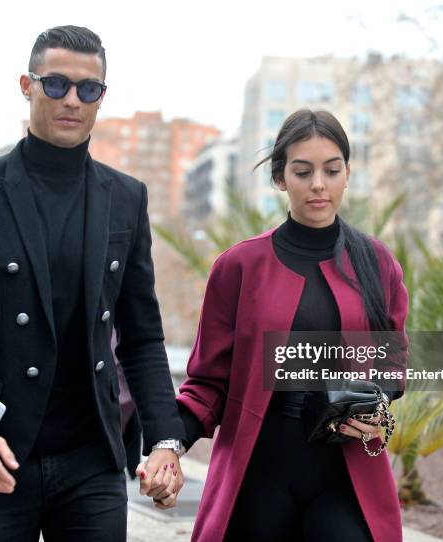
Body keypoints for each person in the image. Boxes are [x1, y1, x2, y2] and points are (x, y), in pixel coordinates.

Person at [0, 25, 185, 541]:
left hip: (93, 458)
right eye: (56, 83)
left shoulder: (126, 197)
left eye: (89, 89)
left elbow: (143, 335)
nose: (72, 100)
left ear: (101, 97)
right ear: (27, 84)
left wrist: (166, 440)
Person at [175, 110, 409, 542]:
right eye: (303, 171)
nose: (318, 184)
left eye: (331, 170)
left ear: (347, 174)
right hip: (258, 471)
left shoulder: (378, 263)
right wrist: (170, 444)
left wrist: (369, 401)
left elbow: (392, 367)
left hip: (347, 472)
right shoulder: (239, 266)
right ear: (281, 178)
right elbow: (208, 380)